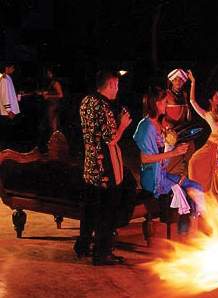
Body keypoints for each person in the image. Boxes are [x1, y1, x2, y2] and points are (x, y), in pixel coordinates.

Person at [74, 70, 132, 266]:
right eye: (116, 85)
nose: (117, 89)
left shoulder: (86, 102)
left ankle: (82, 247)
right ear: (109, 85)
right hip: (105, 168)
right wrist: (123, 124)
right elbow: (111, 139)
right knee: (107, 211)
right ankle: (102, 253)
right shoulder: (104, 106)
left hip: (90, 164)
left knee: (90, 210)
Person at [133, 86, 205, 232]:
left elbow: (166, 148)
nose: (167, 105)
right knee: (183, 193)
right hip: (153, 179)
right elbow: (145, 158)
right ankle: (183, 233)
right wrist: (173, 153)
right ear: (156, 103)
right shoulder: (145, 127)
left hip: (163, 174)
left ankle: (195, 226)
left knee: (197, 187)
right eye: (165, 102)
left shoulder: (160, 124)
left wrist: (177, 146)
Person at [163, 68, 195, 176]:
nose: (178, 82)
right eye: (176, 79)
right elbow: (161, 114)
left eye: (180, 80)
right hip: (171, 133)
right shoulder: (166, 95)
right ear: (171, 81)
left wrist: (193, 83)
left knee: (189, 157)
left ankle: (184, 184)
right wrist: (167, 128)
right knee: (169, 161)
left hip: (183, 131)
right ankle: (164, 183)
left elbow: (188, 112)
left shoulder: (184, 95)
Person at [0, 62, 20, 149]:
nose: (13, 69)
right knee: (6, 135)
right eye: (12, 67)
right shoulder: (4, 79)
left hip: (8, 111)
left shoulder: (7, 78)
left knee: (8, 134)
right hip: (6, 112)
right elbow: (4, 96)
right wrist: (9, 110)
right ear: (7, 68)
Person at [42, 67, 64, 133]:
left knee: (53, 124)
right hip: (51, 104)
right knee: (51, 123)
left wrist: (48, 96)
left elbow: (61, 95)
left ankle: (55, 140)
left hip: (54, 105)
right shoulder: (51, 83)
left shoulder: (56, 83)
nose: (48, 75)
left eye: (49, 73)